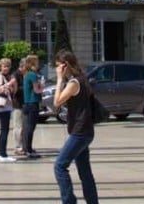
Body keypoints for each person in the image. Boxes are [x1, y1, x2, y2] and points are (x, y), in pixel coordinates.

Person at [52, 49, 99, 204]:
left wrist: (59, 79)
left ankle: (69, 201)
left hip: (79, 132)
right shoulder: (82, 79)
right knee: (85, 172)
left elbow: (57, 102)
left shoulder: (74, 83)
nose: (57, 69)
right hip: (86, 131)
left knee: (59, 166)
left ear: (65, 66)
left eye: (58, 66)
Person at [0, 58, 18, 162]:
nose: (6, 68)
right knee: (4, 130)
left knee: (5, 130)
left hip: (7, 106)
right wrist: (9, 84)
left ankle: (3, 153)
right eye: (4, 66)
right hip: (2, 106)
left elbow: (13, 91)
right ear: (0, 67)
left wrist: (13, 84)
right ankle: (2, 154)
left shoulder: (8, 77)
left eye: (8, 66)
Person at [21, 54, 44, 159]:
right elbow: (36, 90)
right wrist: (42, 87)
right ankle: (29, 150)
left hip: (26, 103)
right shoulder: (33, 75)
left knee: (27, 127)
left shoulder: (26, 74)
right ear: (34, 63)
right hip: (33, 103)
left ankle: (27, 148)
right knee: (31, 127)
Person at [11, 58, 26, 156]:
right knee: (18, 126)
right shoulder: (15, 75)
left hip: (25, 103)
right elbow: (14, 90)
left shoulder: (25, 75)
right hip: (18, 103)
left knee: (24, 126)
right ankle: (18, 146)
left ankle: (23, 146)